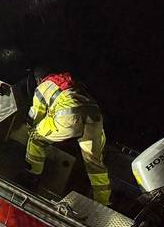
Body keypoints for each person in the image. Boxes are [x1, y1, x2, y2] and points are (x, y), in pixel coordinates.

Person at [24, 68, 110, 205]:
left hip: (69, 117)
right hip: (95, 118)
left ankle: (31, 178)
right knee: (94, 163)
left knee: (36, 138)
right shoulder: (71, 82)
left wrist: (30, 127)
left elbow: (36, 115)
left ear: (39, 79)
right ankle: (103, 202)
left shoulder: (43, 87)